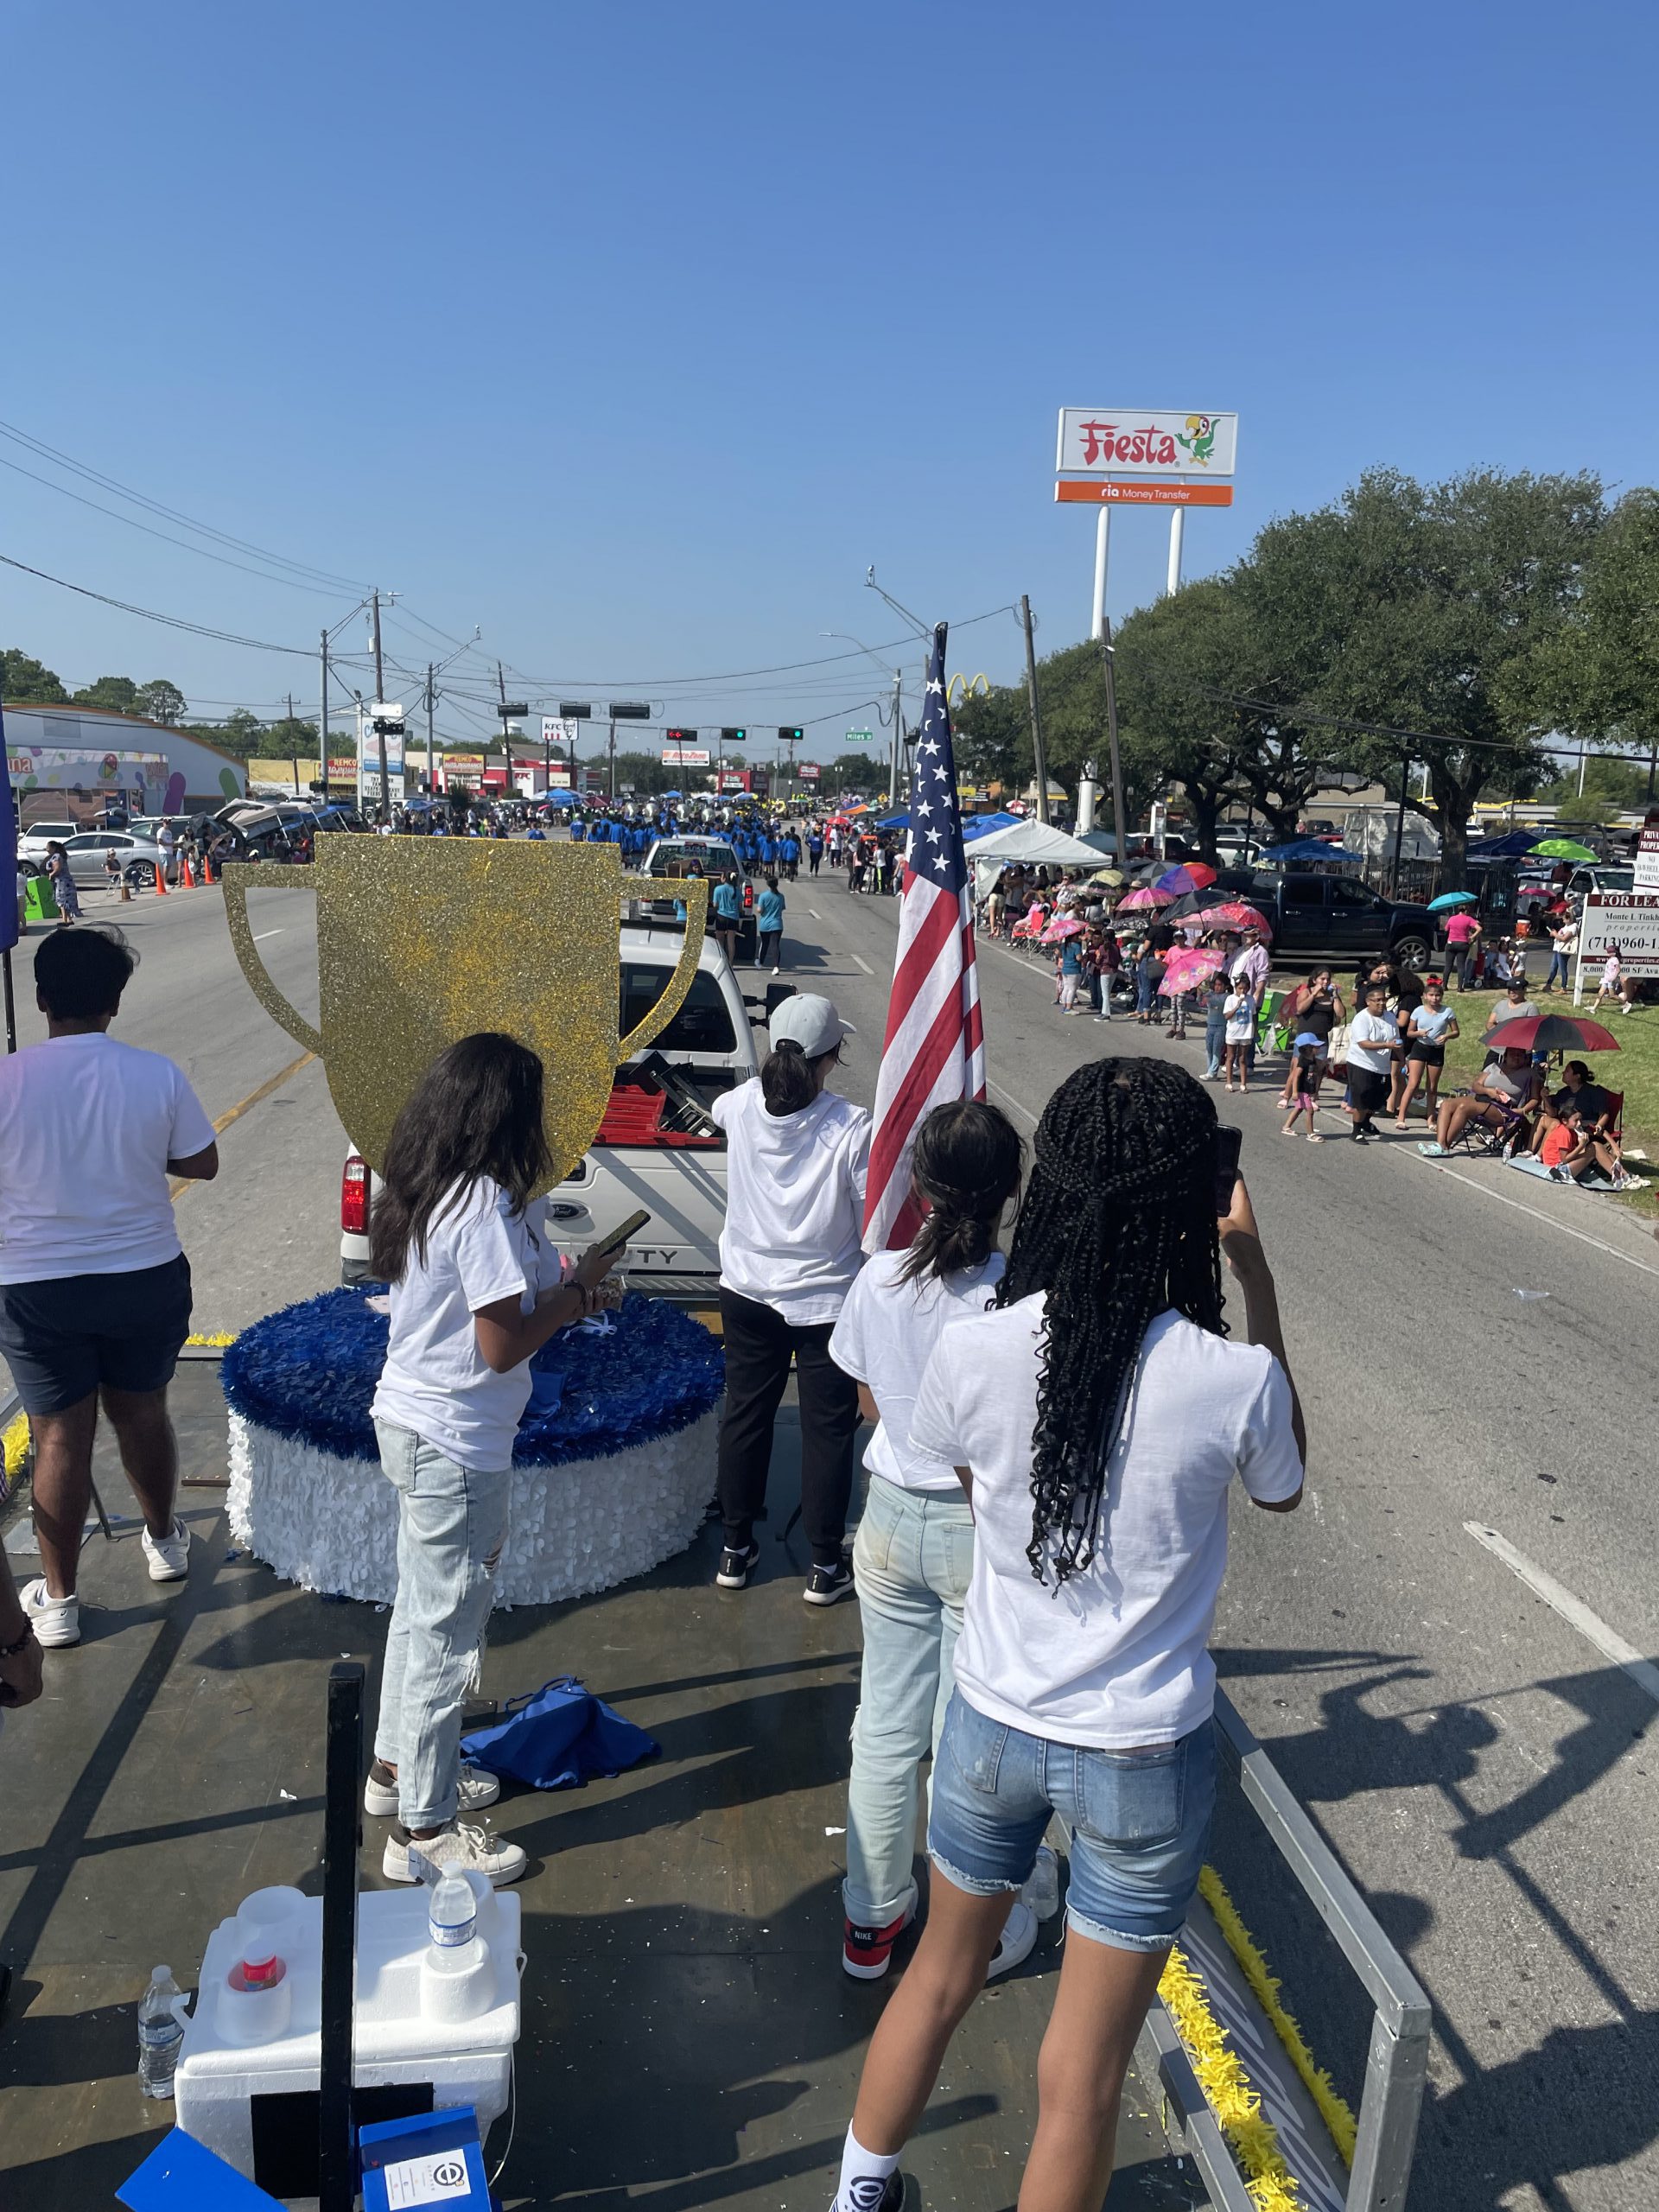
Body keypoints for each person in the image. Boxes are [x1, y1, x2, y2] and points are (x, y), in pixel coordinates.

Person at [823, 1058, 1304, 2212]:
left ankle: (860, 2192)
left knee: (936, 1976)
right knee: (1081, 2075)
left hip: (991, 1723)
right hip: (1143, 1752)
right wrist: (1252, 1269)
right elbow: (1283, 1485)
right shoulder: (1230, 1376)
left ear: (1053, 1195)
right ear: (1197, 1202)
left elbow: (958, 1477)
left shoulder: (977, 1349)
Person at [368, 1033, 622, 1883]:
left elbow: (494, 1321)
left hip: (416, 1423)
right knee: (447, 1634)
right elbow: (500, 1346)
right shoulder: (480, 1203)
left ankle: (397, 1771)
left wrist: (567, 1287)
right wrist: (577, 1297)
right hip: (456, 1444)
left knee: (420, 1608)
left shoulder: (435, 1186)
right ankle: (424, 1835)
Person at [828, 1102, 1025, 1981]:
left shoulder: (880, 1278)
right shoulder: (1018, 1294)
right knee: (965, 1736)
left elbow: (867, 1398)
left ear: (920, 1184)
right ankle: (964, 1923)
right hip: (975, 1529)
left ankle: (869, 1918)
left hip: (890, 1515)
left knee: (884, 1726)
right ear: (1011, 1191)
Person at [2, 928, 219, 1651]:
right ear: (115, 1002)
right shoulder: (154, 1074)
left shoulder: (7, 1079)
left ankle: (58, 1602)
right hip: (142, 1276)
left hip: (36, 1287)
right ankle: (164, 1541)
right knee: (142, 1412)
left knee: (59, 1436)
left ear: (40, 999)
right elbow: (202, 1160)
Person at [712, 995, 868, 1604]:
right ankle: (824, 1563)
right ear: (831, 1057)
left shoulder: (744, 1105)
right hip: (825, 1300)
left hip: (747, 1289)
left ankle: (734, 1546)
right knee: (827, 1430)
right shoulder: (851, 1127)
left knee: (746, 1412)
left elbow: (723, 1109)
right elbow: (866, 1221)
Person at [1423, 1045, 1540, 1157]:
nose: (1516, 1057)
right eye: (1513, 1054)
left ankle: (1445, 1147)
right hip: (1483, 1099)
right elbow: (1476, 1085)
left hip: (1502, 1109)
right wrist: (1489, 1091)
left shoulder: (1529, 1073)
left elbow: (1535, 1099)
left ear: (1525, 1058)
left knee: (1464, 1107)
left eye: (1520, 1055)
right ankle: (1440, 1144)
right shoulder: (1493, 1067)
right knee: (1446, 1104)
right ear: (1505, 1055)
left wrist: (1522, 1111)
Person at [1395, 976, 1459, 1127]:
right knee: (1413, 1083)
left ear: (1441, 996)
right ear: (1425, 996)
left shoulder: (1447, 1011)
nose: (1434, 998)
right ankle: (1401, 1117)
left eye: (1437, 995)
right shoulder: (1418, 1011)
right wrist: (1419, 1033)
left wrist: (1447, 1036)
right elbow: (1409, 1032)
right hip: (1420, 1048)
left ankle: (1431, 1119)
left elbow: (1456, 1032)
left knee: (1432, 1087)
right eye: (1431, 995)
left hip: (1437, 1050)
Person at [1274, 969, 1343, 1107]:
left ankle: (1313, 1098)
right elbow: (1300, 1009)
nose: (1325, 982)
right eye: (1322, 979)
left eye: (1328, 979)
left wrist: (1335, 996)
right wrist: (1314, 994)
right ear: (1314, 980)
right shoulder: (1307, 992)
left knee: (1318, 1069)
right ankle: (1286, 1096)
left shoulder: (1331, 995)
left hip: (1322, 1037)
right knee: (1297, 1067)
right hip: (1305, 1036)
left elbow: (1341, 1014)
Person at [1344, 977, 1399, 1142]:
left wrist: (1402, 1061)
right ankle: (1356, 1131)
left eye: (1384, 999)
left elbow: (1396, 1041)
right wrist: (1386, 1044)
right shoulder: (1362, 1019)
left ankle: (1366, 1123)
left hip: (1382, 1066)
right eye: (1377, 1000)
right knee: (1362, 1098)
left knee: (1379, 1098)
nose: (1382, 1003)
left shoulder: (1390, 1017)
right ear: (1368, 1002)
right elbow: (1364, 1043)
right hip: (1361, 1063)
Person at [1280, 1037, 1325, 1141]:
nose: (1319, 1049)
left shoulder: (1312, 1059)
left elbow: (1315, 1072)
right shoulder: (1303, 1061)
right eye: (1316, 1047)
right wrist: (1294, 1092)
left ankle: (1286, 1127)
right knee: (1310, 1111)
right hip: (1301, 1090)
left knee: (1299, 1109)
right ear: (1308, 1048)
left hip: (1307, 1089)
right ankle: (1311, 1134)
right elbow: (1296, 1076)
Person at [1483, 978, 1539, 1060]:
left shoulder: (1530, 1007)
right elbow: (1490, 1023)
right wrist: (1499, 1033)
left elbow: (1533, 1031)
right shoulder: (1501, 1004)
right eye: (1510, 989)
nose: (1512, 991)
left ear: (1524, 990)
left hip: (1518, 1053)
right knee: (1487, 1071)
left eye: (1516, 989)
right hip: (1497, 1050)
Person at [1222, 982, 1254, 1090]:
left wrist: (1255, 1030)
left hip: (1246, 1033)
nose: (1242, 991)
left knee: (1243, 1058)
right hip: (1233, 1032)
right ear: (1235, 988)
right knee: (1230, 1057)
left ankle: (1243, 1084)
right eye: (1240, 988)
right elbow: (1227, 1016)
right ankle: (1229, 1082)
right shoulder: (1230, 999)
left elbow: (1253, 1015)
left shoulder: (1251, 999)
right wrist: (1237, 1006)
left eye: (1245, 988)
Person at [710, 872, 742, 967]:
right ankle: (731, 963)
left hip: (721, 917)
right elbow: (740, 908)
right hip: (733, 918)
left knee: (720, 941)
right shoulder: (737, 891)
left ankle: (721, 961)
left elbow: (715, 904)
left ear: (723, 878)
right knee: (731, 942)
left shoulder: (718, 889)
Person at [756, 874, 786, 975]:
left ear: (768, 885)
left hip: (765, 924)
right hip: (777, 924)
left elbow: (760, 910)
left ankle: (760, 963)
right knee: (775, 945)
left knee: (765, 944)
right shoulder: (781, 896)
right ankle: (776, 966)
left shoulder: (763, 896)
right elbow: (782, 908)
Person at [1445, 906, 1481, 989]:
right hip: (1463, 943)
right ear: (1466, 910)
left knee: (1448, 965)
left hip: (1451, 942)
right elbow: (1479, 928)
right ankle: (1460, 987)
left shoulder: (1452, 918)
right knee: (1461, 966)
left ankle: (1444, 985)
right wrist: (1472, 937)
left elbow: (1446, 929)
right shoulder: (1468, 919)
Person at [45, 843, 80, 925]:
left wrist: (51, 875)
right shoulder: (60, 856)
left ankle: (65, 920)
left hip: (62, 882)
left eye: (48, 847)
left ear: (53, 848)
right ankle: (69, 919)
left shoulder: (56, 856)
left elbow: (57, 868)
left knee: (62, 901)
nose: (46, 849)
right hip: (66, 881)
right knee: (65, 901)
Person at [1202, 974, 1230, 1077]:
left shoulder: (1227, 996)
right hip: (1210, 1025)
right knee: (1209, 1048)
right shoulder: (1210, 994)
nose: (1217, 987)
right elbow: (1201, 1001)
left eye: (1220, 985)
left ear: (1225, 986)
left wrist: (1209, 1000)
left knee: (1216, 1049)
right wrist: (1201, 994)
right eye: (1216, 984)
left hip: (1221, 1026)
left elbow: (1220, 1003)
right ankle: (1210, 1070)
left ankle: (1213, 1072)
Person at [1592, 945, 1624, 1016]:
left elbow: (1618, 970)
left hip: (1610, 980)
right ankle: (1594, 1008)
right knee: (1600, 994)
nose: (1607, 953)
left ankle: (1625, 1004)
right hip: (1606, 979)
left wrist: (1613, 978)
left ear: (1613, 953)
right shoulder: (1610, 959)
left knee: (1612, 995)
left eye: (1609, 952)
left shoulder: (1615, 960)